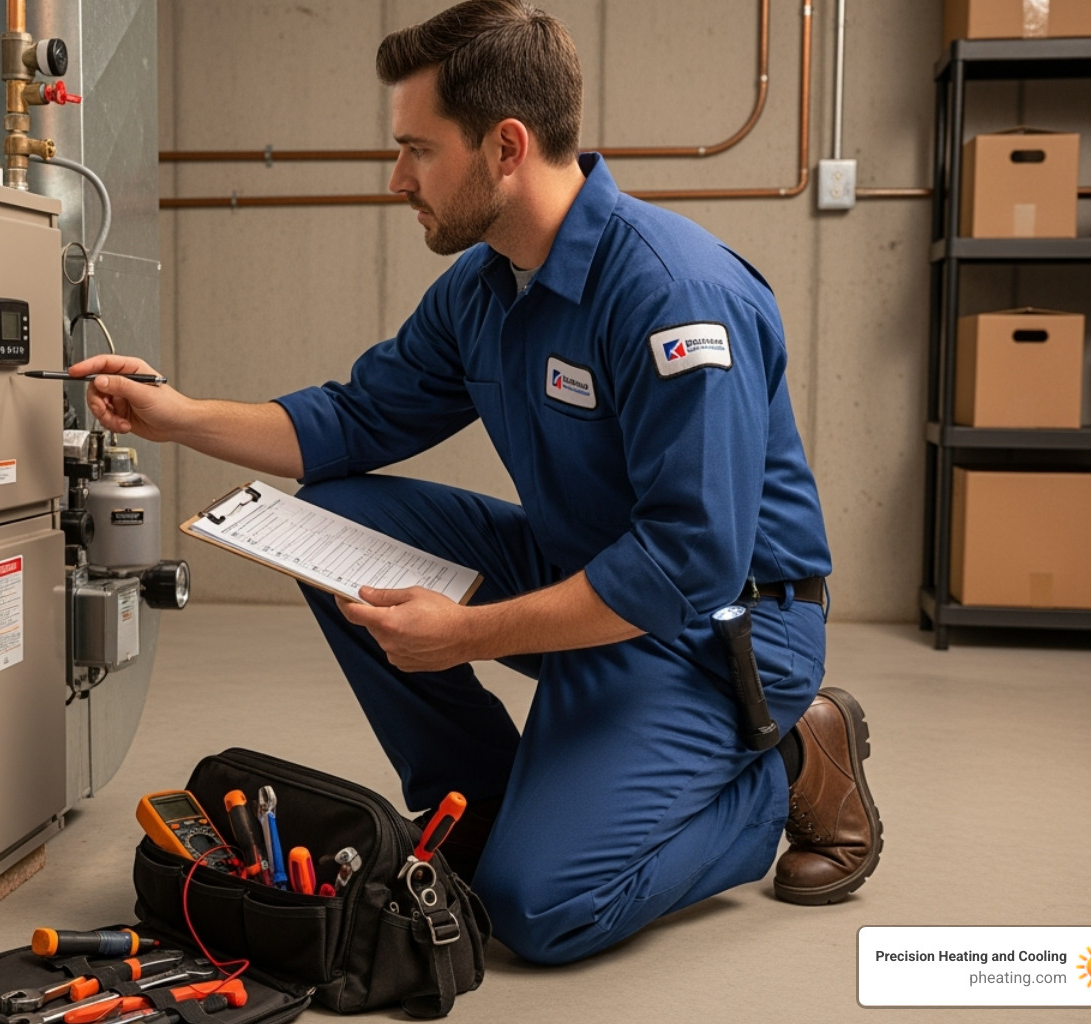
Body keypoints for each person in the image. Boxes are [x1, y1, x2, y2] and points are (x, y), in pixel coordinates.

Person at [75, 0, 880, 965]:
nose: (396, 178)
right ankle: (485, 803)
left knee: (540, 908)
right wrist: (181, 415)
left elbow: (687, 561)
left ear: (505, 146)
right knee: (329, 519)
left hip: (716, 634)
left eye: (418, 149)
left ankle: (787, 765)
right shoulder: (484, 286)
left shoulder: (675, 295)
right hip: (578, 572)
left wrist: (465, 634)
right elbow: (354, 420)